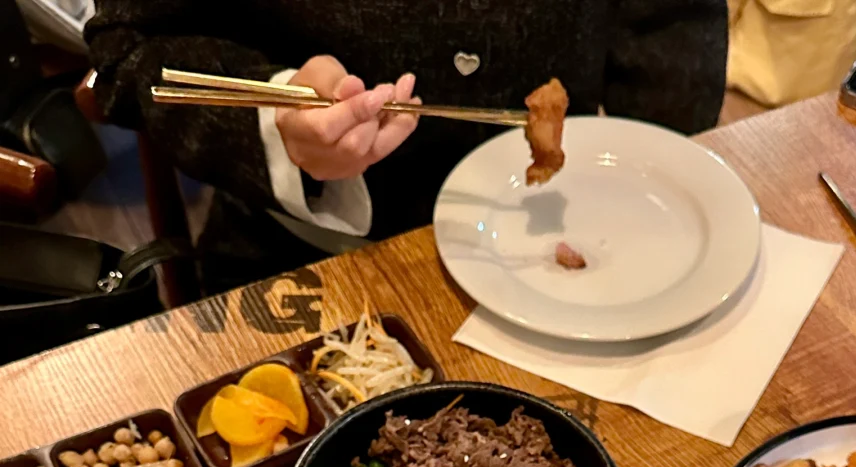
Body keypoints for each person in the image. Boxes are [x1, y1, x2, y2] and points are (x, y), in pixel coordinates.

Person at [85, 1, 729, 292]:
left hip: (584, 251)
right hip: (311, 268)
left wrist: (664, 194)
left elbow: (671, 24)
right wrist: (280, 113)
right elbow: (131, 47)